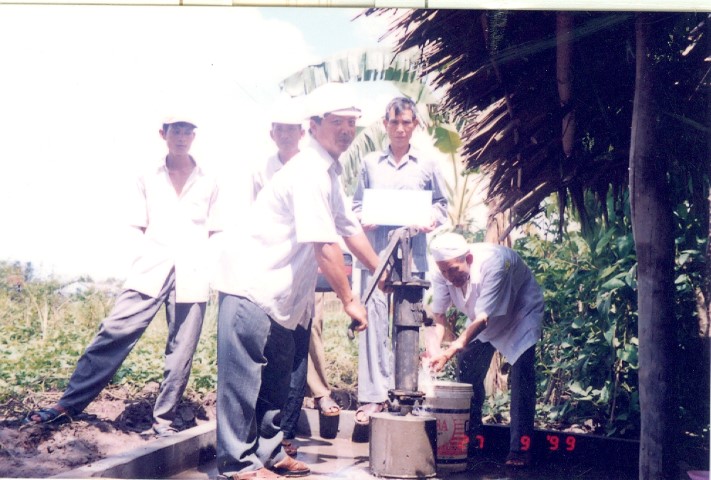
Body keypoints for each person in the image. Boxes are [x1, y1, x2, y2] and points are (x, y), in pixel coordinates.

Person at [214, 83, 382, 479]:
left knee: (276, 381)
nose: (346, 130)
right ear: (314, 126)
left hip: (282, 296)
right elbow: (324, 244)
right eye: (337, 122)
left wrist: (382, 270)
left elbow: (349, 227)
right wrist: (349, 300)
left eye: (351, 123)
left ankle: (270, 453)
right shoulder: (308, 172)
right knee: (242, 381)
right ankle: (239, 464)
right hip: (252, 285)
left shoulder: (329, 174)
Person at [23, 116, 222, 437]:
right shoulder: (147, 177)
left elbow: (217, 230)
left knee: (181, 351)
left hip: (193, 273)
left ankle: (164, 422)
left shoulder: (209, 180)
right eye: (176, 130)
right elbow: (135, 226)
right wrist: (143, 259)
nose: (182, 137)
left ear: (194, 136)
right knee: (114, 332)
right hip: (150, 269)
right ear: (163, 134)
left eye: (188, 131)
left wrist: (207, 268)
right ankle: (67, 405)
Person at [351, 96, 448, 425]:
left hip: (413, 256)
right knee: (372, 324)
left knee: (408, 325)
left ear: (415, 125)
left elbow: (441, 205)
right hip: (375, 256)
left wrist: (431, 219)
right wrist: (364, 218)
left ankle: (405, 394)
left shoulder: (428, 164)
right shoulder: (369, 164)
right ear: (385, 124)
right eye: (394, 122)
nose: (400, 128)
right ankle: (373, 398)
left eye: (406, 122)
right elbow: (355, 206)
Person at [424, 232, 543, 468]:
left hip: (520, 315)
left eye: (453, 270)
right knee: (466, 373)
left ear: (468, 259)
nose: (449, 277)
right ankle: (471, 439)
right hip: (480, 321)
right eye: (444, 271)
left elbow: (483, 319)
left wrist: (450, 350)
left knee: (522, 378)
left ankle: (520, 449)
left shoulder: (496, 263)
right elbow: (438, 316)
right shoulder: (442, 272)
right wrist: (434, 349)